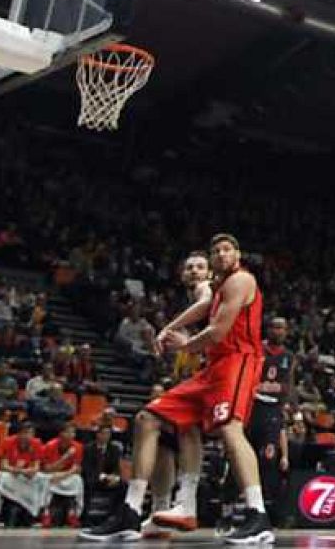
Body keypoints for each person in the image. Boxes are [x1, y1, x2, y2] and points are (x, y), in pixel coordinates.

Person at [81, 233, 272, 544]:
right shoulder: (219, 288)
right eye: (216, 251)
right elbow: (204, 306)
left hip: (238, 362)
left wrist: (186, 345)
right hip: (213, 368)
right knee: (148, 418)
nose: (221, 254)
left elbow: (218, 330)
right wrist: (170, 327)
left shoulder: (241, 280)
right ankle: (133, 510)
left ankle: (257, 514)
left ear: (237, 255)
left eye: (227, 249)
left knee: (229, 429)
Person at [146, 252, 213, 536]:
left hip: (214, 381)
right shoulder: (181, 304)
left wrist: (174, 332)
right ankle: (160, 511)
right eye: (189, 268)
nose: (195, 272)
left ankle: (188, 502)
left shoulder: (207, 294)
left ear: (209, 274)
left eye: (200, 267)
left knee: (189, 434)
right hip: (186, 382)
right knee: (162, 443)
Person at [251, 316, 294, 525]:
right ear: (267, 330)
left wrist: (286, 404)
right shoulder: (256, 349)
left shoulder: (288, 356)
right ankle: (233, 506)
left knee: (269, 458)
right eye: (275, 327)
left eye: (282, 328)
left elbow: (288, 384)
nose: (278, 331)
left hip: (273, 410)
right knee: (244, 454)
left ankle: (263, 509)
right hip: (253, 407)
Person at [38, 421, 84, 528]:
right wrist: (65, 457)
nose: (71, 435)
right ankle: (46, 514)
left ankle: (72, 514)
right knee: (45, 479)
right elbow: (47, 469)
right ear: (61, 434)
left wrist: (64, 475)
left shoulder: (78, 446)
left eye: (73, 433)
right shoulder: (50, 446)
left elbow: (76, 468)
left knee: (77, 479)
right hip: (51, 475)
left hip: (66, 475)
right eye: (68, 432)